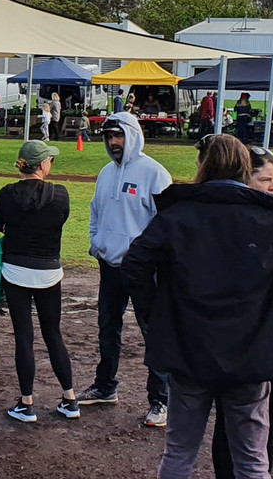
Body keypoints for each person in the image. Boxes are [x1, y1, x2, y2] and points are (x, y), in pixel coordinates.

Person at [123, 135, 273, 479]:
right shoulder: (267, 218)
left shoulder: (181, 215)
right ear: (244, 168)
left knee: (179, 454)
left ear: (203, 166)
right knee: (250, 460)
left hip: (191, 350)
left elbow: (134, 266)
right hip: (247, 354)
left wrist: (156, 315)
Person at [78, 113, 173, 427]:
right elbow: (95, 212)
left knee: (153, 333)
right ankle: (106, 386)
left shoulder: (154, 174)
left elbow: (168, 224)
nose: (113, 142)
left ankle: (161, 400)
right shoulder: (105, 172)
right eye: (108, 137)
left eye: (118, 136)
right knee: (107, 328)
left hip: (144, 271)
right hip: (109, 266)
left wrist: (147, 257)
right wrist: (97, 242)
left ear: (132, 135)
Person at [211, 145, 273, 478]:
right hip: (248, 343)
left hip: (271, 339)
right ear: (245, 179)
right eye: (266, 179)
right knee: (232, 426)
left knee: (266, 427)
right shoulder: (238, 222)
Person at [0, 140, 78, 422]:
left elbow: (1, 225)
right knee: (53, 334)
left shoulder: (7, 194)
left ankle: (27, 402)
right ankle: (69, 398)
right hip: (48, 270)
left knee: (24, 336)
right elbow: (60, 220)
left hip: (16, 269)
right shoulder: (60, 195)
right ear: (43, 165)